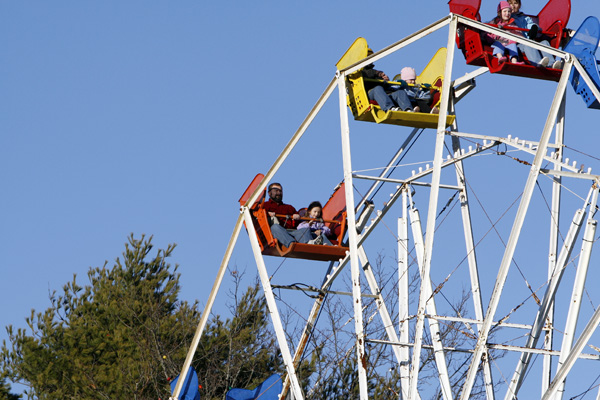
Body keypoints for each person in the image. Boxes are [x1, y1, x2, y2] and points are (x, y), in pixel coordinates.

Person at [508, 0, 562, 69]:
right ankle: (537, 63)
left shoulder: (524, 18)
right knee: (528, 44)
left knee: (544, 42)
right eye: (510, 4)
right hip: (517, 45)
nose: (512, 6)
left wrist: (534, 28)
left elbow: (530, 24)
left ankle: (552, 64)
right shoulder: (507, 18)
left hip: (529, 41)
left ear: (519, 5)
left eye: (515, 3)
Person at [263, 182, 312, 248]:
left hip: (291, 232)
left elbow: (298, 223)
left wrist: (297, 217)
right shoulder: (265, 206)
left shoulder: (289, 208)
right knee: (275, 227)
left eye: (280, 191)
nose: (278, 193)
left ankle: (309, 245)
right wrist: (266, 213)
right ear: (269, 193)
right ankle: (292, 244)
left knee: (305, 229)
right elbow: (257, 215)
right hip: (277, 233)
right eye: (276, 190)